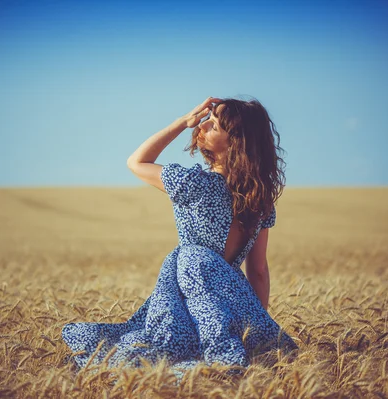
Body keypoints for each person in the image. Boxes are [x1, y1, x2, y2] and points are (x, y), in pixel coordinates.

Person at [61, 96, 298, 377]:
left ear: (235, 142)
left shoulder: (195, 184)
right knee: (230, 359)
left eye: (213, 125)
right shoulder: (260, 199)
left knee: (150, 358)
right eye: (203, 121)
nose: (201, 126)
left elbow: (137, 161)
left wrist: (181, 122)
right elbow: (258, 270)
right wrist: (256, 327)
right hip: (232, 299)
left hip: (185, 300)